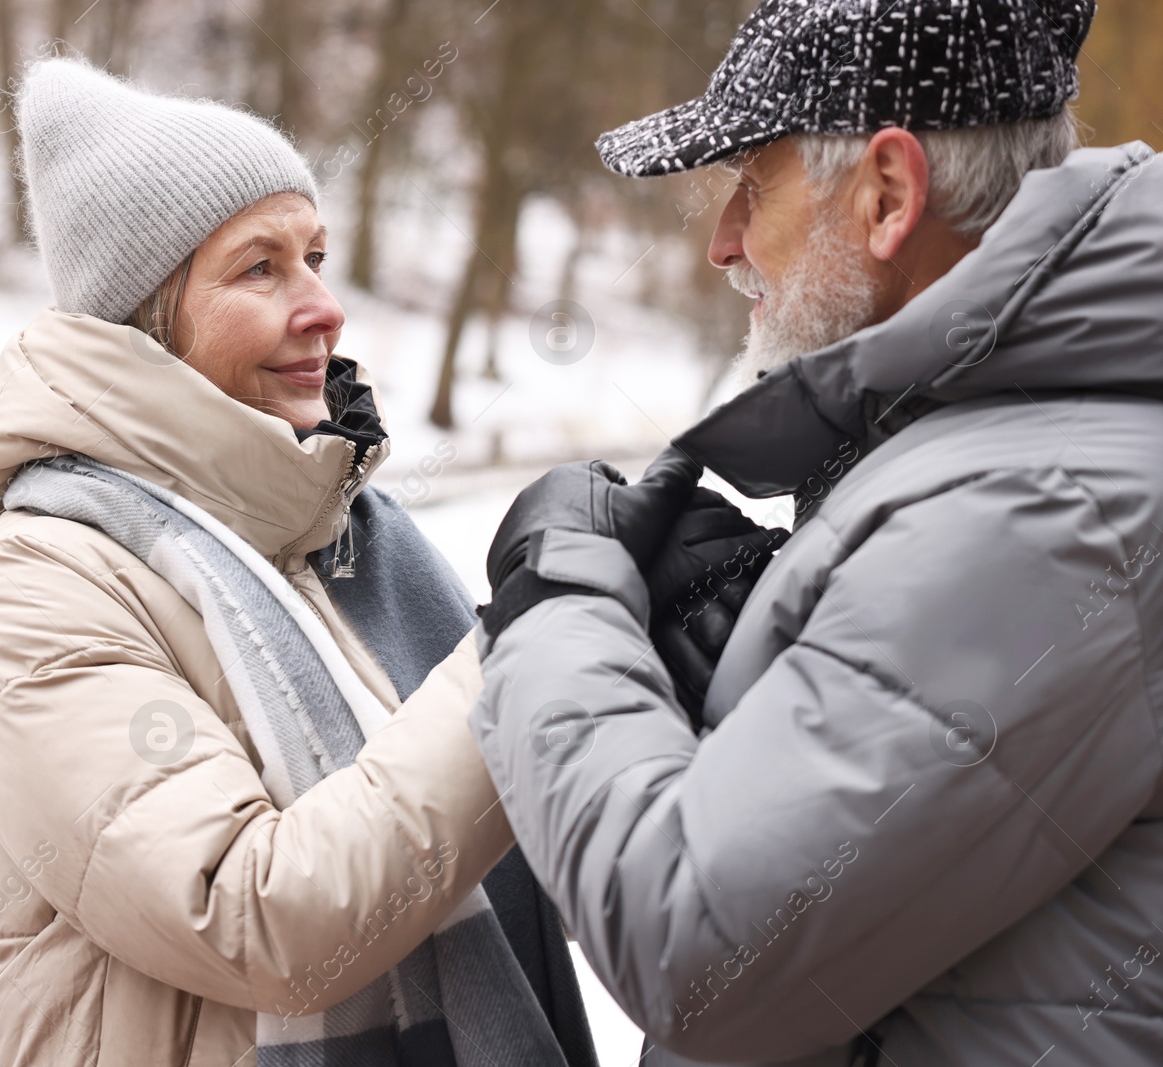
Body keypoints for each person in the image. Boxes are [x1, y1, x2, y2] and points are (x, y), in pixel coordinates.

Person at [469, 0, 1163, 1063]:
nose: (723, 242)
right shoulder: (1015, 443)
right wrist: (740, 681)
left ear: (888, 194)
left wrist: (558, 609)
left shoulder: (1046, 507)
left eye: (753, 182)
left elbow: (697, 952)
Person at [0, 59, 596, 1067]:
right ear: (147, 318)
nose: (324, 305)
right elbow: (252, 911)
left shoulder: (338, 542)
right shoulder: (40, 584)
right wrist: (516, 651)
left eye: (317, 256)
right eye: (261, 267)